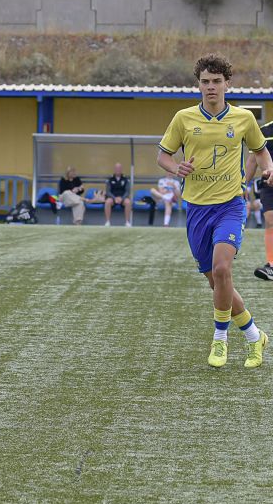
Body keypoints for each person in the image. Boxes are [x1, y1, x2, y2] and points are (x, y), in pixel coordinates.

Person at [157, 53, 273, 368]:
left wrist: (269, 169)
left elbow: (261, 152)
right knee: (216, 282)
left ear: (227, 84)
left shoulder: (244, 118)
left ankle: (219, 340)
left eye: (216, 82)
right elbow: (163, 156)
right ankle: (254, 336)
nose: (211, 87)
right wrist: (175, 167)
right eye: (205, 82)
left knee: (223, 270)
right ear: (199, 85)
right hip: (196, 209)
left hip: (230, 205)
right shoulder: (183, 118)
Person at [245, 119, 273, 279]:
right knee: (270, 220)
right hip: (269, 184)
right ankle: (271, 265)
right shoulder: (263, 131)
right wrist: (243, 185)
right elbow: (253, 160)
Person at [104, 162, 131, 227]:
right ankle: (107, 222)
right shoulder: (110, 179)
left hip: (123, 198)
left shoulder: (126, 179)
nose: (118, 170)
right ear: (114, 169)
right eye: (116, 168)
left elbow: (127, 191)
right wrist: (114, 198)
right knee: (107, 202)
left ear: (121, 169)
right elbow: (108, 192)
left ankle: (127, 222)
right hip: (113, 198)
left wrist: (122, 198)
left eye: (119, 168)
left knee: (128, 202)